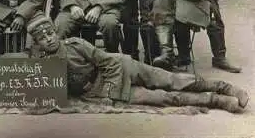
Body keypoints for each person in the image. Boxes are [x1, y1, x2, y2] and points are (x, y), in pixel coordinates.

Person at [27, 17, 249, 113]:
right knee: (165, 98)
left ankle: (224, 87)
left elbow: (106, 62)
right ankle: (218, 101)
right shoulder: (43, 67)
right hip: (100, 90)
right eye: (42, 37)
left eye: (49, 32)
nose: (48, 38)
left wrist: (112, 93)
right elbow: (48, 99)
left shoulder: (75, 45)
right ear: (37, 43)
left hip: (120, 68)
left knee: (172, 80)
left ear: (56, 32)